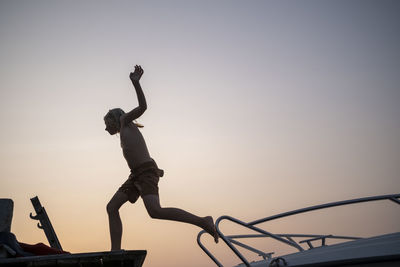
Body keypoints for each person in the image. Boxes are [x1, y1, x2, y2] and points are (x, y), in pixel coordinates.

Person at [104, 65, 218, 250]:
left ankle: (203, 221)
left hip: (146, 172)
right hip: (135, 175)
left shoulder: (124, 120)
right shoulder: (124, 130)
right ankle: (115, 251)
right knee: (112, 207)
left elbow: (143, 107)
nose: (105, 128)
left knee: (155, 211)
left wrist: (135, 83)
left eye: (106, 123)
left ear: (113, 118)